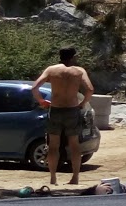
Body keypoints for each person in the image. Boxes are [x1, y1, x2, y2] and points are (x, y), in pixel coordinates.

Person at [31, 47, 94, 186]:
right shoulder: (79, 71)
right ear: (73, 57)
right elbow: (90, 89)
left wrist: (42, 101)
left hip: (56, 110)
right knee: (74, 145)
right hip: (72, 110)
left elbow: (34, 88)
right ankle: (75, 178)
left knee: (53, 146)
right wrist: (82, 103)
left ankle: (53, 177)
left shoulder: (51, 70)